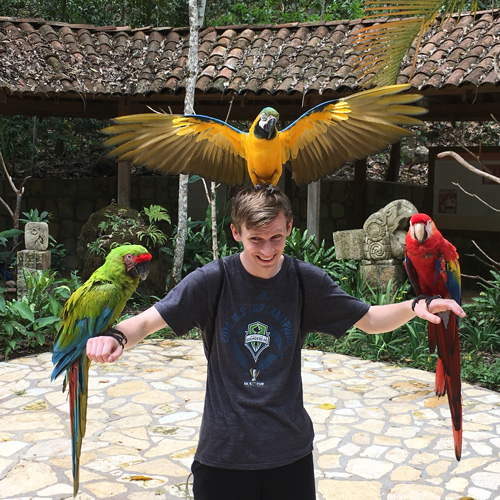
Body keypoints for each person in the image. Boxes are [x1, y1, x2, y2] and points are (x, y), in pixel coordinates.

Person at [86, 186, 465, 500]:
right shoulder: (213, 281)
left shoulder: (304, 281)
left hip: (289, 455)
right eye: (255, 240)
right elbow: (152, 319)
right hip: (223, 456)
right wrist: (117, 336)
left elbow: (369, 319)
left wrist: (419, 304)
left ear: (289, 228)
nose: (267, 251)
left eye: (277, 239)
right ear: (236, 232)